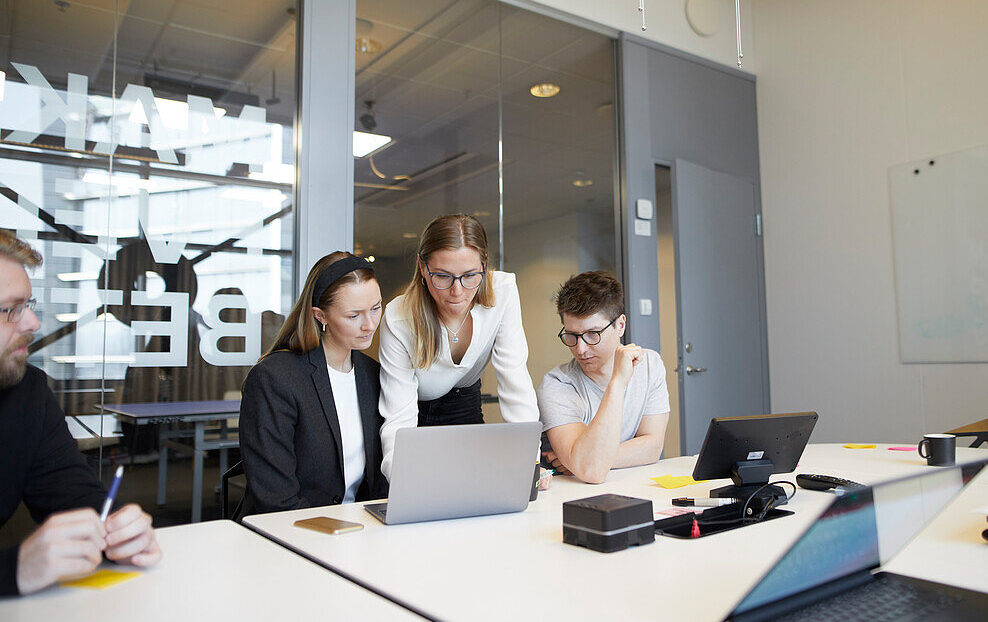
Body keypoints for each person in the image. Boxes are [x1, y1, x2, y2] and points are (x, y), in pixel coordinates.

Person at [0, 231, 161, 596]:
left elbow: (72, 493)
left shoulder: (29, 392)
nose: (33, 324)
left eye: (29, 305)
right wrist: (15, 569)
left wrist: (118, 530)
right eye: (11, 309)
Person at [378, 215, 538, 479]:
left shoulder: (504, 291)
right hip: (418, 418)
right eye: (442, 276)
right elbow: (399, 420)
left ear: (484, 266)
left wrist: (529, 463)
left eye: (470, 276)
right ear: (422, 267)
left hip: (467, 406)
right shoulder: (399, 318)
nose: (457, 291)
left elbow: (515, 382)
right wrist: (402, 481)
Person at [238, 252, 387, 516]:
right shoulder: (275, 378)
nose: (370, 325)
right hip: (290, 530)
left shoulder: (373, 374)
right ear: (321, 316)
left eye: (376, 308)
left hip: (356, 530)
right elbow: (276, 498)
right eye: (354, 316)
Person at [537, 271, 669, 484]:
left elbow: (653, 447)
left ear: (621, 325)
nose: (580, 349)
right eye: (571, 335)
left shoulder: (650, 365)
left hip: (628, 484)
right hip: (571, 496)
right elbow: (592, 471)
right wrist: (618, 383)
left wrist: (584, 459)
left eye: (592, 334)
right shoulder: (557, 385)